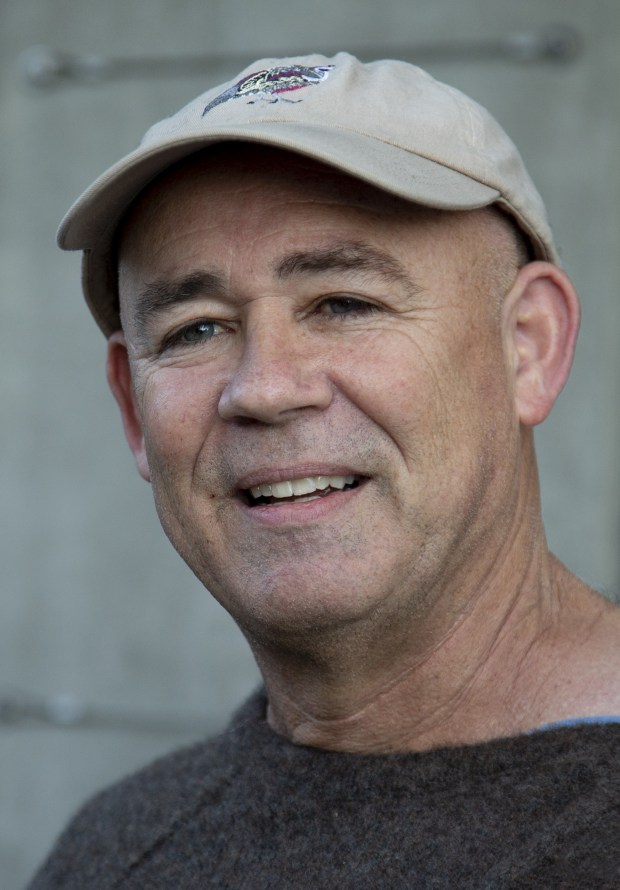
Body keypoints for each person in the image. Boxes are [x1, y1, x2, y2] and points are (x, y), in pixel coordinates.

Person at [29, 53, 619, 888]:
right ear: (132, 408)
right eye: (195, 330)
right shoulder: (116, 850)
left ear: (528, 347)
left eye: (344, 303)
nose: (265, 387)